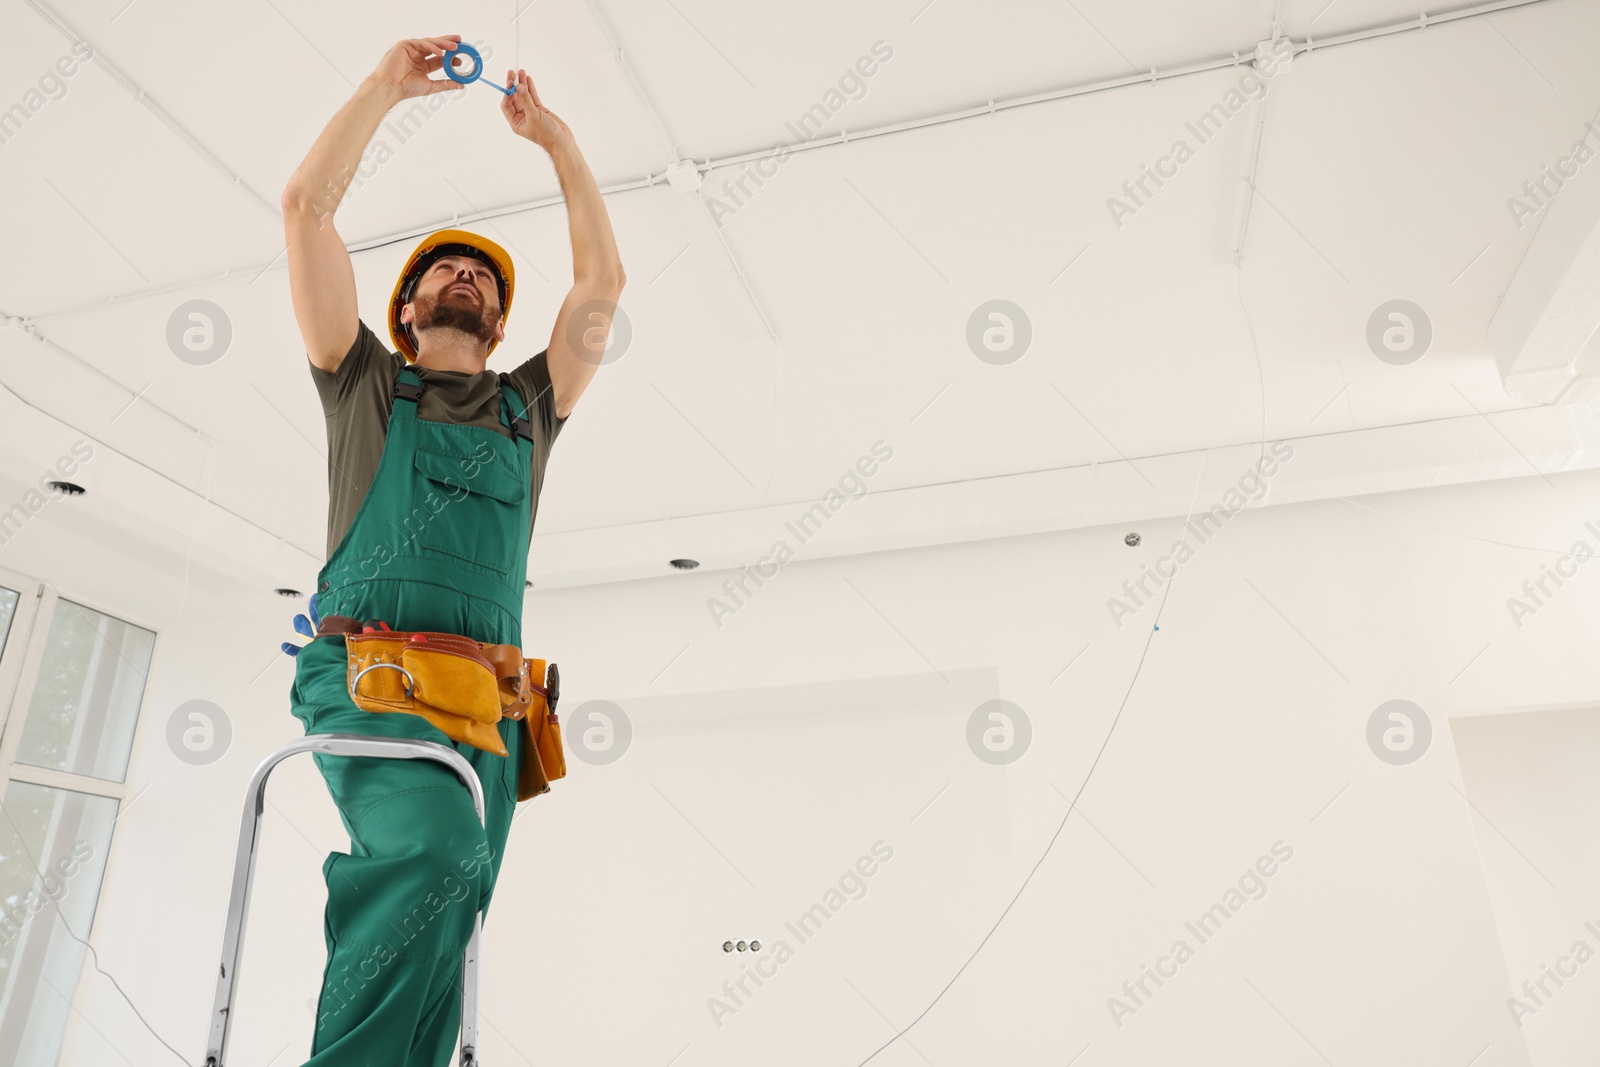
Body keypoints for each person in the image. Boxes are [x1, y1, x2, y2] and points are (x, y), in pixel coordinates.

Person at [279, 34, 624, 1065]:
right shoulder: (365, 382)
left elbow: (602, 281)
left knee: (457, 899)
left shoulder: (530, 408)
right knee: (432, 855)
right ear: (408, 306)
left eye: (481, 274)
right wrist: (386, 85)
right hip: (369, 675)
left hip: (493, 703)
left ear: (499, 314)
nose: (465, 277)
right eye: (445, 270)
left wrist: (556, 142)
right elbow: (305, 209)